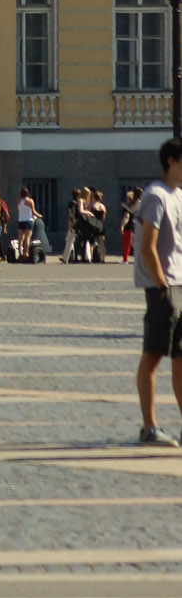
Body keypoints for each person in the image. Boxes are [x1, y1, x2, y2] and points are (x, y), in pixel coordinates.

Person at [134, 137, 182, 444]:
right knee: (153, 355)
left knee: (181, 357)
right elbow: (147, 246)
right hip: (163, 286)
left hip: (179, 283)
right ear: (171, 161)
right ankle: (149, 427)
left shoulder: (178, 195)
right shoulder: (155, 196)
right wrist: (162, 285)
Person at [16, 188, 36, 260]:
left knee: (20, 238)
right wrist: (39, 215)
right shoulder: (30, 201)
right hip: (28, 220)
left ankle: (19, 253)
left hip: (21, 220)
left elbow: (19, 210)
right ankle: (26, 253)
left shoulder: (19, 201)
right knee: (27, 238)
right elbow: (33, 211)